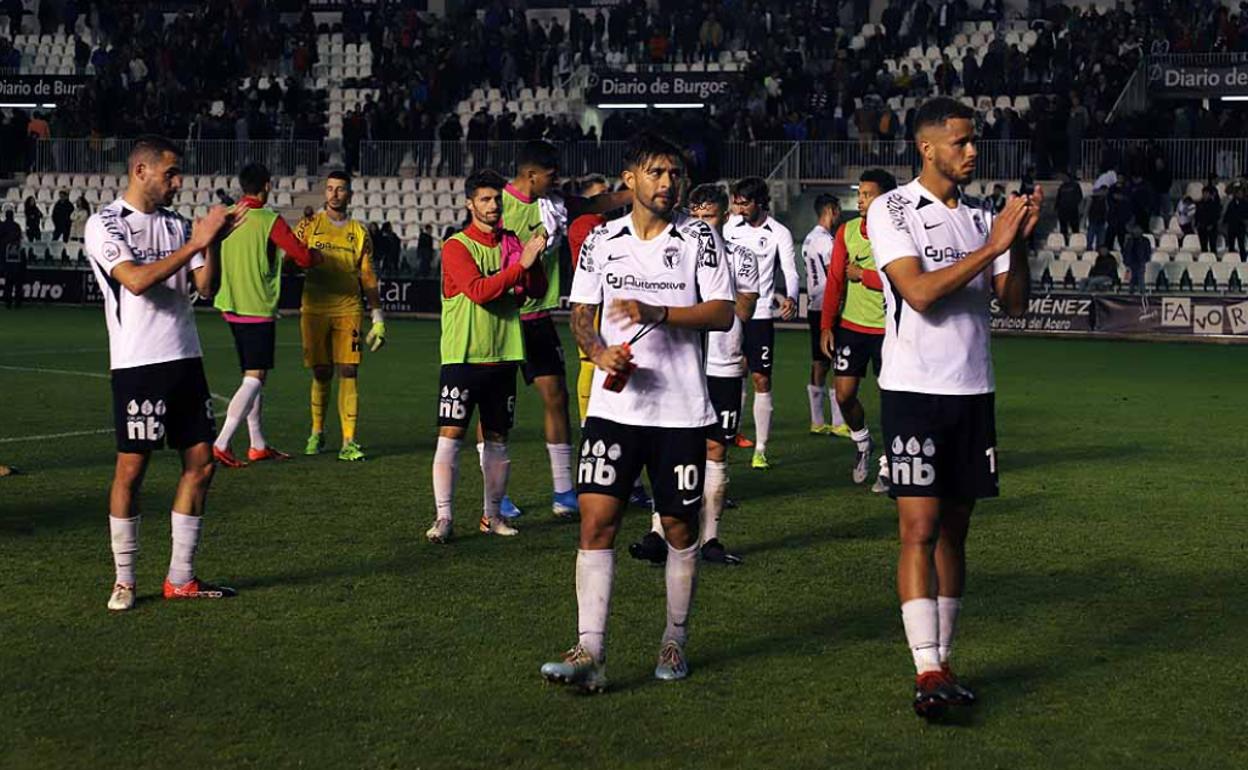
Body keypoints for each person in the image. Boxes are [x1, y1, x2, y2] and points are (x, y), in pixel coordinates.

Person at [540, 131, 734, 692]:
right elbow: (581, 313)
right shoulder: (602, 240)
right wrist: (600, 354)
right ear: (631, 178)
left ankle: (674, 638)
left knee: (677, 526)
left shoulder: (699, 238)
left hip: (679, 411)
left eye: (675, 173)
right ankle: (589, 652)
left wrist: (657, 310)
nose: (668, 183)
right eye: (656, 172)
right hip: (613, 409)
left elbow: (722, 312)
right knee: (596, 520)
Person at [866, 98, 1040, 718]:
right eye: (961, 143)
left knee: (957, 532)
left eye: (974, 143)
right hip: (913, 390)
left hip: (973, 390)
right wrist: (992, 246)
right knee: (919, 527)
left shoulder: (979, 217)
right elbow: (918, 294)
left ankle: (944, 659)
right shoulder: (892, 209)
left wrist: (1016, 244)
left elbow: (1013, 304)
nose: (971, 152)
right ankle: (926, 668)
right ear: (927, 147)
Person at [83, 135, 247, 612]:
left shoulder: (178, 224)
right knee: (131, 471)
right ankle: (125, 580)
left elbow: (206, 286)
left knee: (202, 464)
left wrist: (209, 243)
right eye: (170, 173)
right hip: (138, 364)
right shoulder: (105, 223)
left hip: (185, 360)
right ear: (141, 171)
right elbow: (134, 281)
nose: (178, 182)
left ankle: (181, 578)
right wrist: (197, 240)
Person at [630, 182, 759, 567]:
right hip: (681, 363)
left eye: (711, 216)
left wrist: (715, 286)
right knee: (666, 446)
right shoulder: (674, 249)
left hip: (723, 362)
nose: (703, 224)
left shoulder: (742, 256)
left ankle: (711, 539)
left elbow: (745, 310)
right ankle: (657, 531)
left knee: (716, 450)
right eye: (697, 216)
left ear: (726, 216)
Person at [501, 140, 632, 518]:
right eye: (551, 175)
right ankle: (496, 496)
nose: (557, 181)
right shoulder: (500, 205)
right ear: (531, 175)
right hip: (504, 318)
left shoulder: (553, 204)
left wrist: (633, 190)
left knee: (555, 396)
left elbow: (593, 205)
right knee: (497, 409)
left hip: (538, 318)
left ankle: (563, 492)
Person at [426, 170, 550, 544]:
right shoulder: (456, 246)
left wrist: (534, 262)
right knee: (450, 437)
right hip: (462, 357)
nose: (493, 206)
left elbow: (535, 290)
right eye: (484, 199)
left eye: (496, 199)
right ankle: (444, 517)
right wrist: (519, 267)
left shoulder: (513, 242)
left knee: (497, 440)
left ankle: (492, 516)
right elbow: (479, 291)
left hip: (503, 354)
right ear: (469, 203)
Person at [210, 163, 322, 468]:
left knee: (254, 373)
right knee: (255, 377)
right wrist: (316, 257)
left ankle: (257, 444)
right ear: (267, 186)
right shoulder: (268, 219)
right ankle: (221, 442)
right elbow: (300, 256)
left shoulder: (231, 215)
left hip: (229, 302)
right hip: (256, 305)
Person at [294, 171, 387, 462]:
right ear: (325, 193)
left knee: (349, 370)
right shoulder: (310, 224)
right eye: (330, 189)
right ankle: (317, 432)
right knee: (321, 372)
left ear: (349, 195)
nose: (334, 194)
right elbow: (289, 261)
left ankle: (349, 440)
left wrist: (378, 316)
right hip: (315, 308)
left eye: (340, 189)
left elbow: (368, 275)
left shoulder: (359, 232)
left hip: (349, 309)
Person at [820, 169, 897, 493]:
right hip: (852, 327)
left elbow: (901, 278)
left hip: (889, 328)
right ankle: (863, 443)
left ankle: (890, 465)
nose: (861, 199)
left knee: (892, 399)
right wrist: (826, 325)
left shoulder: (898, 232)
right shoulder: (847, 231)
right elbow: (836, 280)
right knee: (843, 395)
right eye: (860, 194)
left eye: (868, 194)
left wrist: (863, 275)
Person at [725, 176, 799, 469]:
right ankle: (731, 432)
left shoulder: (778, 232)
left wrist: (790, 296)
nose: (738, 208)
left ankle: (761, 448)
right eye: (736, 202)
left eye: (744, 203)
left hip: (761, 313)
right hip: (730, 312)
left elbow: (791, 271)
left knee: (761, 378)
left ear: (759, 203)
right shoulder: (730, 228)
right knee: (732, 373)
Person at [801, 193, 849, 437]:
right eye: (838, 209)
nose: (839, 215)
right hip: (830, 309)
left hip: (813, 307)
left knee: (819, 362)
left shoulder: (809, 239)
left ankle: (818, 421)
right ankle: (839, 422)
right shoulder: (827, 242)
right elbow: (836, 274)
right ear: (831, 210)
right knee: (838, 362)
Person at [567, 173, 611, 425]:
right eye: (600, 193)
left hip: (606, 299)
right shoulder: (584, 224)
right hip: (591, 300)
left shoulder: (603, 221)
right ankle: (586, 420)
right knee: (590, 361)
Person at [2, 209, 25, 308]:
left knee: (8, 281)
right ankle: (18, 302)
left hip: (5, 258)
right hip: (16, 257)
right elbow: (20, 239)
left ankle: (8, 302)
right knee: (17, 281)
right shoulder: (16, 226)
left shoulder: (2, 226)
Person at [1055, 173, 1083, 238]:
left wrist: (1075, 204)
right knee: (1063, 228)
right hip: (1062, 211)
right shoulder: (1062, 187)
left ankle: (1076, 240)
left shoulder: (1075, 185)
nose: (1063, 179)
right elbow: (1058, 198)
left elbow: (1079, 197)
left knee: (1075, 227)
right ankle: (1065, 240)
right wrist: (1056, 207)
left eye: (1064, 177)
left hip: (1072, 210)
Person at [1195, 186, 1221, 254]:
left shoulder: (1214, 204)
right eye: (1204, 193)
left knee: (1213, 246)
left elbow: (1216, 216)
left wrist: (1212, 225)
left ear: (1210, 194)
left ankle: (1214, 260)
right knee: (1203, 246)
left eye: (1207, 193)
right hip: (1202, 228)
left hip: (1212, 228)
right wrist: (1196, 224)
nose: (1205, 195)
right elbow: (1197, 215)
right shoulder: (1200, 204)